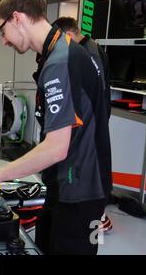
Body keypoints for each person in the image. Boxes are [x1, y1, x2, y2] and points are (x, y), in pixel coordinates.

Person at [0, 0, 112, 255]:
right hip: (70, 184)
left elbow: (57, 146)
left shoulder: (59, 62)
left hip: (79, 191)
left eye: (2, 30)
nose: (4, 40)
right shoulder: (66, 51)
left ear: (17, 18)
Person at [52, 16, 113, 232]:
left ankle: (99, 217)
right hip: (92, 123)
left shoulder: (89, 52)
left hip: (92, 125)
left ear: (68, 35)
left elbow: (97, 95)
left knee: (88, 175)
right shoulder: (91, 48)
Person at [52, 17, 111, 118]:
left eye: (59, 41)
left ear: (68, 35)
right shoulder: (81, 50)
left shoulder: (91, 53)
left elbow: (97, 91)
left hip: (93, 120)